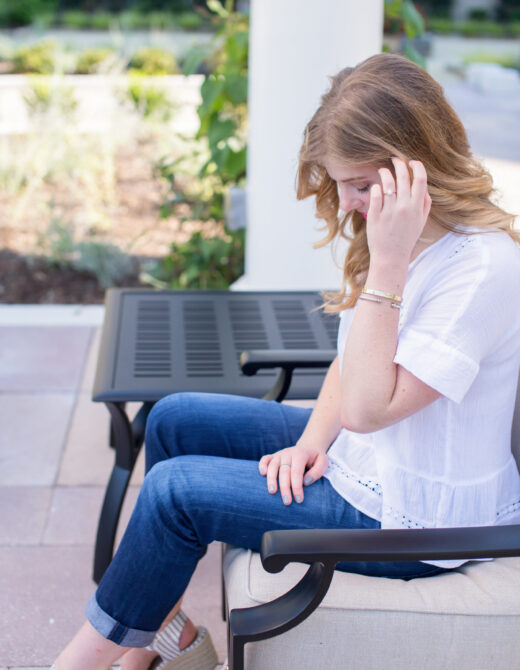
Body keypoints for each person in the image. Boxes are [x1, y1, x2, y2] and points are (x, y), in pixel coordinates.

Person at [53, 53, 520, 670]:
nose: (349, 203)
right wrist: (312, 441)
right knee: (172, 419)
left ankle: (78, 664)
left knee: (175, 493)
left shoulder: (480, 268)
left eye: (358, 185)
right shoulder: (411, 237)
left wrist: (387, 263)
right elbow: (349, 370)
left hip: (414, 518)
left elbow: (367, 405)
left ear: (415, 166)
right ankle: (164, 643)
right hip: (367, 460)